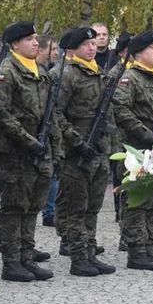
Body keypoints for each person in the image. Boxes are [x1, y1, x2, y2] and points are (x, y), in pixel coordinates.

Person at [0, 22, 57, 282]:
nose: (35, 42)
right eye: (28, 39)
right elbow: (3, 114)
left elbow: (50, 114)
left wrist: (52, 147)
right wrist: (29, 141)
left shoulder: (41, 71)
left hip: (40, 149)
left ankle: (27, 256)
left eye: (34, 38)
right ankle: (11, 261)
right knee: (14, 207)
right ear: (14, 44)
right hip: (15, 151)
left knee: (32, 206)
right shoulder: (7, 71)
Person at [55, 27, 117, 277]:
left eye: (93, 44)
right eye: (86, 44)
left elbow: (107, 114)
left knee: (93, 206)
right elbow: (56, 113)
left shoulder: (98, 73)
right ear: (74, 49)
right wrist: (75, 140)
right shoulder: (68, 74)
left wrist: (110, 147)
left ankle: (90, 251)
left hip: (99, 150)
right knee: (76, 207)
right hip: (77, 150)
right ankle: (78, 257)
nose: (92, 48)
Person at [112, 31, 153, 271]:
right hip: (136, 147)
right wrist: (146, 134)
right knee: (137, 200)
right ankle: (136, 251)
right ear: (137, 53)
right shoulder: (131, 78)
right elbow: (121, 110)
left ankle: (149, 244)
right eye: (152, 47)